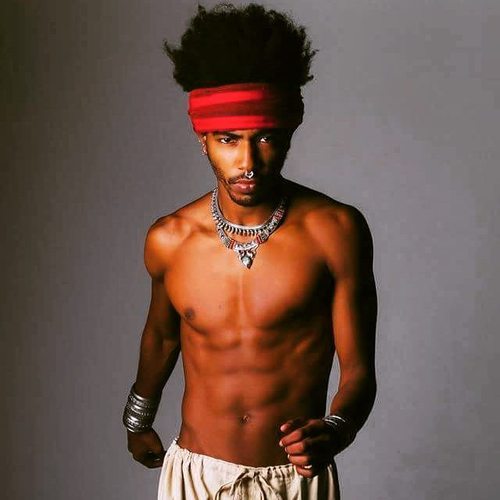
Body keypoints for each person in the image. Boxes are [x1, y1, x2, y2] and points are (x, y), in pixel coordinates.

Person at [123, 3, 377, 499]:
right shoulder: (170, 239)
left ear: (288, 134)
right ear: (203, 139)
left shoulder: (335, 231)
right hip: (195, 476)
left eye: (265, 138)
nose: (247, 162)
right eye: (227, 139)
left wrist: (336, 429)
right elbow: (162, 337)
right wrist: (138, 419)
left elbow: (360, 370)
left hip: (294, 478)